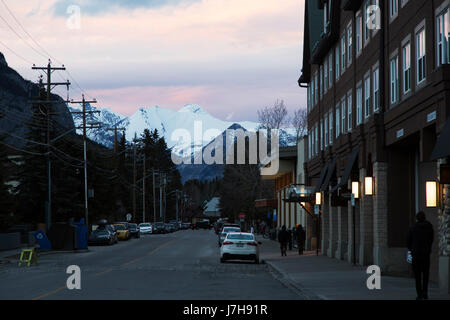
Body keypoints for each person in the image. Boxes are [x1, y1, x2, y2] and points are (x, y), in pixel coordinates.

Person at [407, 211, 434, 300]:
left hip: (416, 254)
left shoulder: (413, 228)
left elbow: (408, 241)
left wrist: (411, 249)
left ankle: (419, 294)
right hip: (426, 254)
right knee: (426, 274)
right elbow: (431, 239)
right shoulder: (429, 227)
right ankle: (425, 293)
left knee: (417, 276)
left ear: (417, 218)